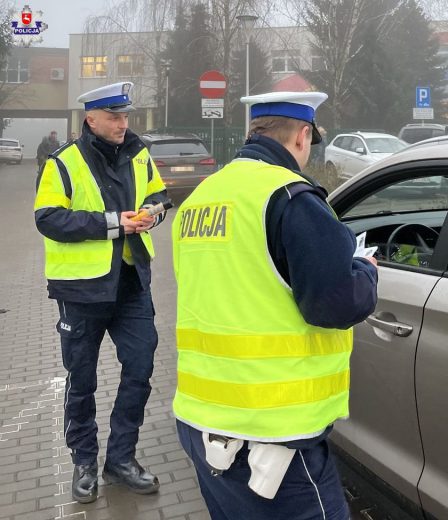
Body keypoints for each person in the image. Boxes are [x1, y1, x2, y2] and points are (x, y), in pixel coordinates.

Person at [172, 91, 378, 519]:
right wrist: (366, 269)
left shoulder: (200, 199)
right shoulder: (288, 197)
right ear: (303, 136)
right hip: (272, 438)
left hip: (200, 422)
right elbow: (335, 304)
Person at [34, 81, 170, 504]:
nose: (122, 124)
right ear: (89, 119)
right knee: (82, 380)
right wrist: (115, 224)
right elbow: (48, 218)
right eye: (114, 117)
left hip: (131, 285)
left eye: (125, 116)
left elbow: (160, 195)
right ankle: (85, 462)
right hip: (82, 292)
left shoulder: (139, 153)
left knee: (140, 369)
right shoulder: (64, 162)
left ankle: (121, 458)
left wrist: (152, 213)